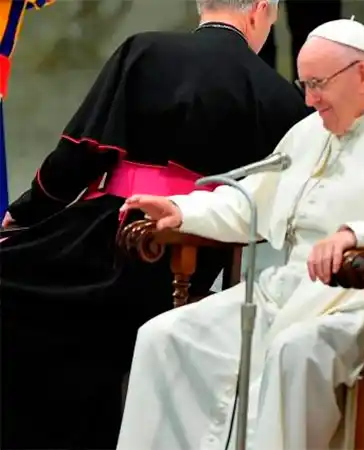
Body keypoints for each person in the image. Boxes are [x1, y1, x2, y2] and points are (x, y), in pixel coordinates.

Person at [115, 18, 364, 450]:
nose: (308, 100)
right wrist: (181, 211)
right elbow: (251, 202)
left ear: (363, 75)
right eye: (303, 83)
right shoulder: (309, 133)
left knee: (295, 349)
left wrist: (356, 235)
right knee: (164, 336)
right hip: (289, 292)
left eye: (318, 84)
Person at [0, 0, 311, 448]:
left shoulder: (143, 50)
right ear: (260, 9)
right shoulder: (280, 96)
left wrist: (25, 213)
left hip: (108, 233)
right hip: (190, 256)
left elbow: (78, 155)